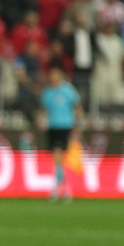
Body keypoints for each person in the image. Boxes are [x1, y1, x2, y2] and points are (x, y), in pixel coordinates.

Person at [40, 66, 80, 202]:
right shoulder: (48, 92)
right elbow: (45, 110)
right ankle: (63, 187)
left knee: (61, 157)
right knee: (57, 157)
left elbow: (77, 107)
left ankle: (61, 188)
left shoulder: (68, 90)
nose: (53, 77)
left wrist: (77, 126)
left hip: (66, 126)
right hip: (53, 126)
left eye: (55, 74)